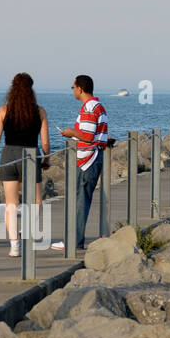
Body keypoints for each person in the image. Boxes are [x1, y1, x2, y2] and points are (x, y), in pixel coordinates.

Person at [0, 73, 50, 257]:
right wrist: (46, 157)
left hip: (9, 155)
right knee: (35, 202)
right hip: (30, 155)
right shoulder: (39, 111)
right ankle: (26, 235)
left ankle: (14, 245)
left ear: (12, 89)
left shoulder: (4, 110)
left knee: (11, 204)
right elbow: (45, 142)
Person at [59, 75, 108, 253]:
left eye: (73, 87)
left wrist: (71, 132)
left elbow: (87, 135)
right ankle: (74, 239)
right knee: (82, 199)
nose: (72, 90)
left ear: (80, 88)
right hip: (94, 158)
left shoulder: (89, 108)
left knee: (80, 201)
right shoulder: (98, 106)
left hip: (88, 160)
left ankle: (74, 241)